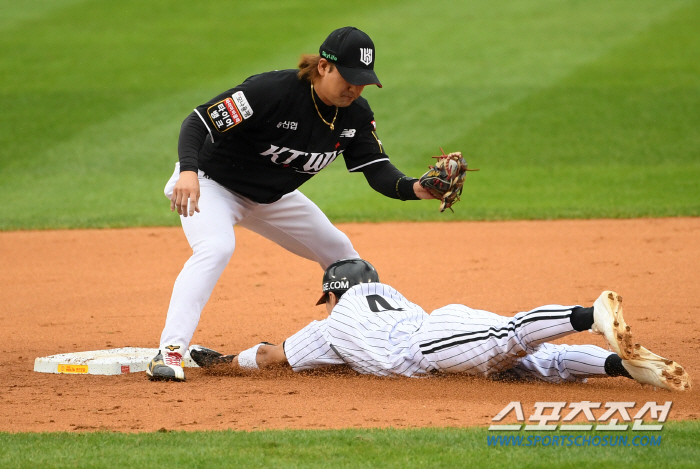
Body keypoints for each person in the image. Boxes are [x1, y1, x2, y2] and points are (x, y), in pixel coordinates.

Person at [147, 27, 436, 381]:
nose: (355, 88)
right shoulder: (271, 91)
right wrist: (188, 171)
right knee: (216, 247)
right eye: (349, 78)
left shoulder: (355, 114)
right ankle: (169, 352)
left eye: (362, 81)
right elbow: (199, 120)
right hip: (211, 184)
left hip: (272, 198)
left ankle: (355, 342)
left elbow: (375, 168)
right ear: (324, 67)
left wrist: (414, 188)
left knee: (345, 257)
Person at [189, 259, 691, 391]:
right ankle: (626, 368)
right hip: (443, 336)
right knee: (543, 363)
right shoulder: (386, 293)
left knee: (510, 336)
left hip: (433, 345)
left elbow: (274, 356)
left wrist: (227, 362)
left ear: (333, 294)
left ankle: (587, 315)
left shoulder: (333, 322)